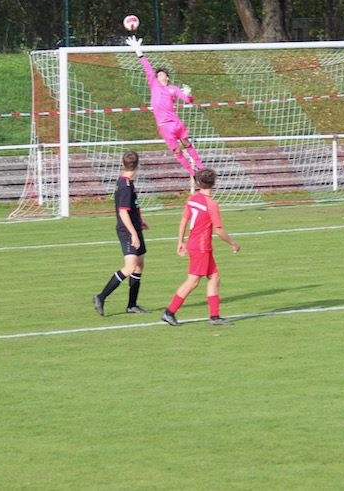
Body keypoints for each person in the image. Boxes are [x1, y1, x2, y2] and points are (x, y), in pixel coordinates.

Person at [161, 168, 241, 327]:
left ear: (198, 183)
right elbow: (218, 230)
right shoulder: (212, 204)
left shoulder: (192, 199)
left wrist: (180, 242)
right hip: (201, 247)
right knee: (192, 281)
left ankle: (214, 317)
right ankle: (169, 312)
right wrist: (233, 243)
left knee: (214, 277)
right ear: (214, 183)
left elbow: (183, 221)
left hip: (194, 244)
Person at [126, 34, 203, 177]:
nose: (160, 76)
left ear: (167, 77)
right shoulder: (154, 85)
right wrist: (139, 51)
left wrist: (189, 94)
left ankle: (201, 167)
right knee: (177, 151)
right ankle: (192, 172)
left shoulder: (173, 89)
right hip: (164, 126)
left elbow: (188, 100)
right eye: (158, 75)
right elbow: (148, 68)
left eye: (162, 74)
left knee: (187, 143)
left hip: (176, 123)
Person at [93, 150, 151, 315]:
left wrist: (139, 221)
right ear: (138, 165)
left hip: (134, 227)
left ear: (122, 164)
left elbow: (131, 207)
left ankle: (132, 305)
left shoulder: (126, 182)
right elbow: (123, 212)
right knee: (130, 267)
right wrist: (133, 233)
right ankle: (101, 297)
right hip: (127, 231)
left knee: (139, 264)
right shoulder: (125, 186)